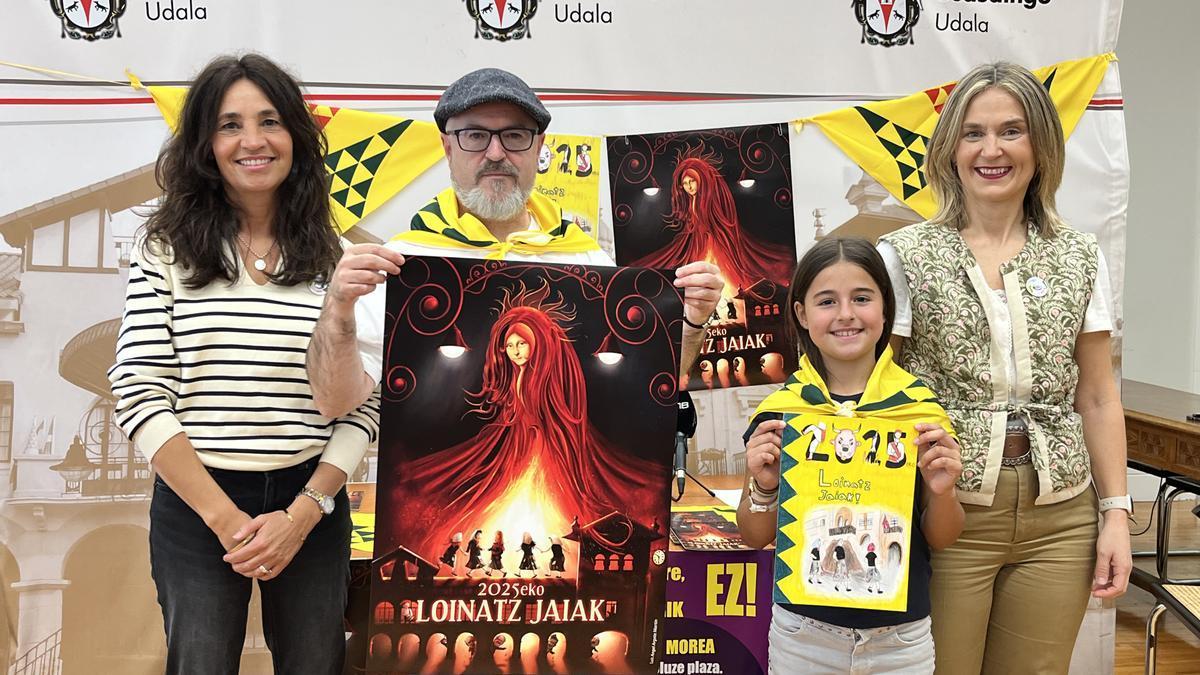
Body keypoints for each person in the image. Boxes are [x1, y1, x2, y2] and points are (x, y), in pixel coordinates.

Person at [107, 54, 378, 674]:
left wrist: (304, 511)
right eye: (229, 125)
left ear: (297, 139)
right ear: (205, 143)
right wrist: (224, 518)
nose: (252, 141)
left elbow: (364, 402)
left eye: (270, 121)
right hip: (197, 503)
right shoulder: (165, 248)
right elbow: (139, 389)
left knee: (316, 663)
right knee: (200, 663)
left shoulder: (338, 254)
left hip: (311, 499)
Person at [877, 61, 1132, 673]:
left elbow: (1097, 396)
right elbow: (874, 391)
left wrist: (1116, 514)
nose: (992, 150)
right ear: (949, 149)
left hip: (1061, 516)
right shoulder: (905, 256)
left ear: (1040, 145)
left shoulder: (1078, 255)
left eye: (1011, 131)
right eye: (973, 133)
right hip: (948, 513)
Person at [305, 67, 722, 420]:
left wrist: (692, 321)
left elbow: (644, 387)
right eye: (474, 136)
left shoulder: (586, 259)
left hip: (557, 489)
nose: (495, 152)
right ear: (447, 148)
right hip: (442, 499)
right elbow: (334, 402)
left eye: (515, 135)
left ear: (539, 147)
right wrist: (338, 309)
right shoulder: (404, 263)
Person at [736, 237, 965, 674]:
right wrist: (764, 486)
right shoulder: (782, 413)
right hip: (803, 637)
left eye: (862, 298)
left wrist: (943, 493)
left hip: (901, 640)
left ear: (885, 309)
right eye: (827, 301)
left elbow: (943, 537)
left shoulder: (919, 411)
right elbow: (753, 535)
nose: (846, 314)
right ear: (802, 314)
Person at [394, 287, 664, 558]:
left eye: (521, 344)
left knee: (546, 498)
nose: (515, 352)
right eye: (510, 346)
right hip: (521, 449)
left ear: (535, 343)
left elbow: (556, 412)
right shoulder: (517, 376)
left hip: (543, 450)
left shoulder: (544, 377)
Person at [628, 147, 793, 300]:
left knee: (723, 275)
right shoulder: (693, 200)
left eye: (691, 182)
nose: (688, 187)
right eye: (685, 184)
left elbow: (718, 220)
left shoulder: (708, 199)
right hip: (699, 243)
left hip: (714, 243)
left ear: (699, 179)